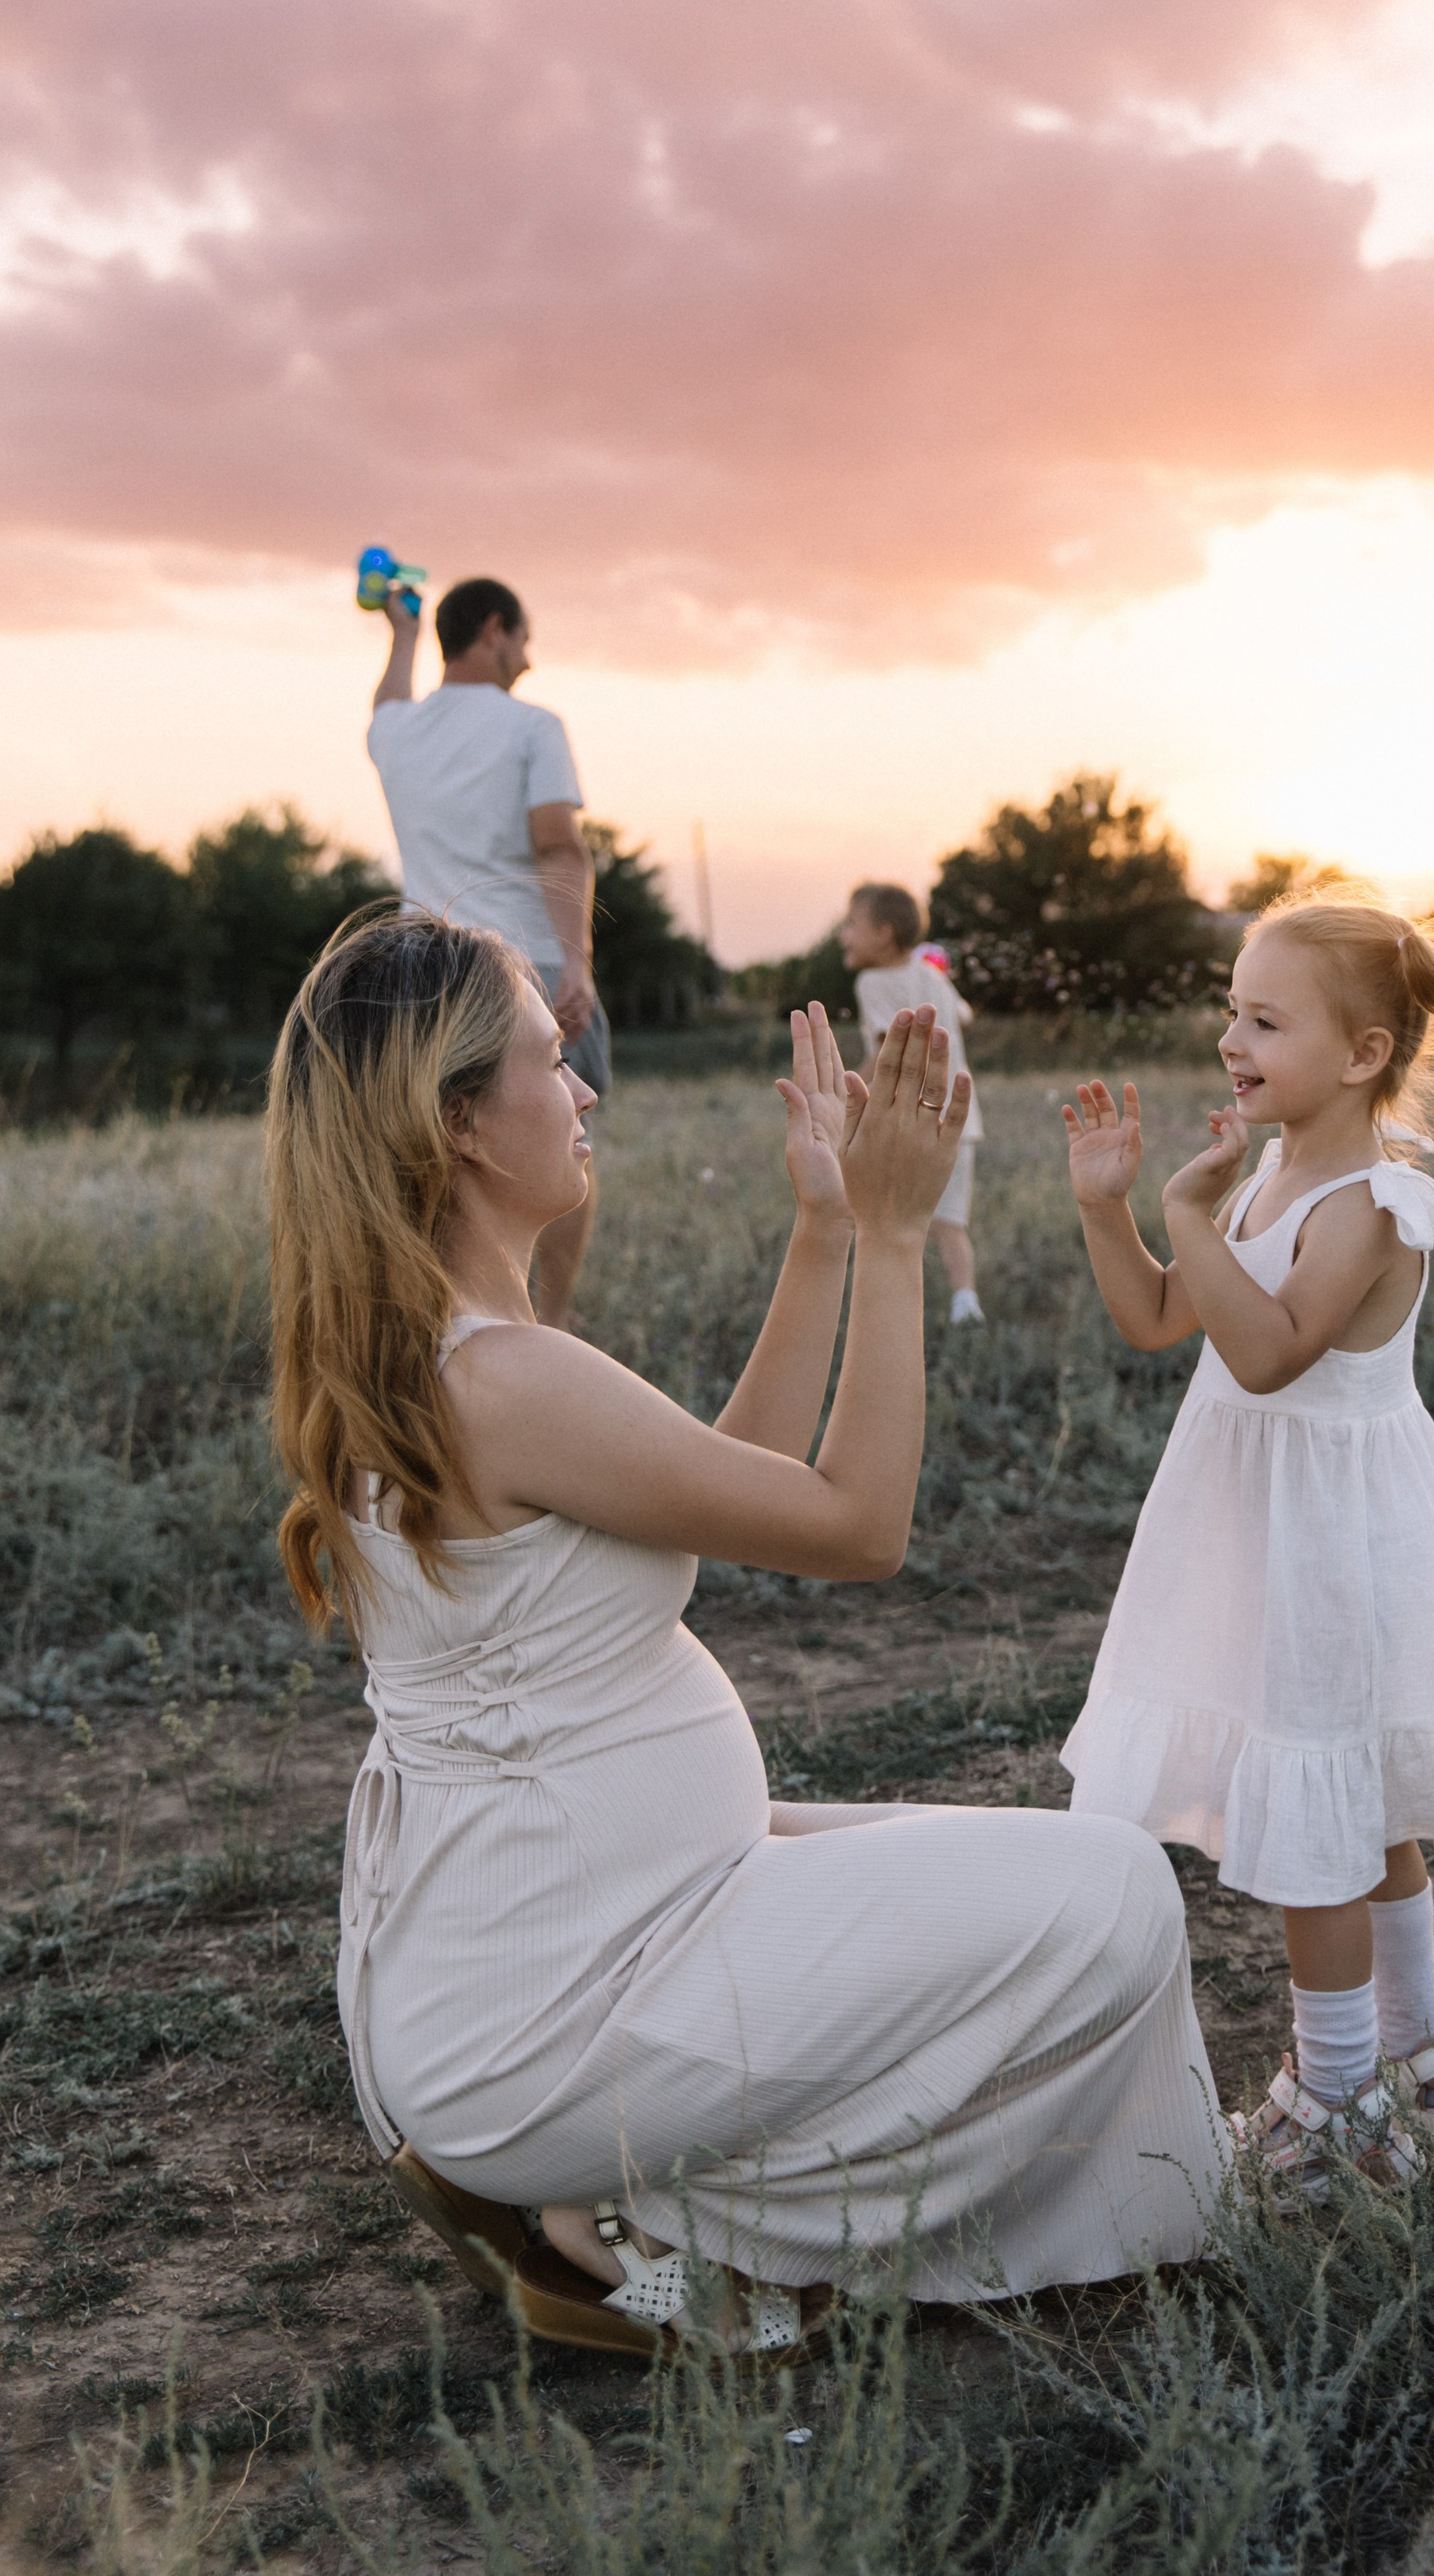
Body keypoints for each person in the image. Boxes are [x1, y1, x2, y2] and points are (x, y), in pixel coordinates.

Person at [266, 910, 1226, 2362]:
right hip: (551, 2016)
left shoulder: (461, 1357)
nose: (584, 1086)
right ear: (458, 1121)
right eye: (549, 1059)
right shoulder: (507, 1378)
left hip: (550, 1964)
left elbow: (731, 1495)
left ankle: (590, 2204)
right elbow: (855, 1527)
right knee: (1117, 1900)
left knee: (1023, 1881)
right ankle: (664, 2238)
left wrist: (830, 1227)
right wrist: (904, 1235)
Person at [1056, 884, 1434, 2198]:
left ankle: (1337, 2099)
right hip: (1261, 1529)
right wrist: (1111, 1206)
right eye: (1231, 1010)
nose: (1233, 1040)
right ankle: (1415, 2067)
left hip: (1337, 1541)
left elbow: (1276, 1351)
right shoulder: (1274, 1175)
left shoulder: (1371, 1200)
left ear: (1361, 1054)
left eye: (1267, 1021)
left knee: (1325, 1813)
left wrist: (1192, 1217)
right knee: (1357, 1794)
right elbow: (1164, 1321)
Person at [367, 575, 604, 1328]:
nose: (527, 660)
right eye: (524, 640)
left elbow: (388, 702)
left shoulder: (396, 732)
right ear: (495, 629)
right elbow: (559, 848)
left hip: (420, 976)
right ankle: (549, 1327)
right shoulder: (533, 727)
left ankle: (447, 1322)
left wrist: (401, 634)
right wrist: (578, 960)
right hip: (522, 970)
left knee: (434, 1159)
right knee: (568, 1150)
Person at [839, 884, 986, 1326]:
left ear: (883, 934)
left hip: (908, 1119)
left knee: (892, 1218)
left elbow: (887, 1051)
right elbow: (964, 1016)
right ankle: (966, 1303)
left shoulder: (872, 981)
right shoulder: (931, 974)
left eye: (850, 925)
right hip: (959, 1118)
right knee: (950, 1222)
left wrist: (838, 1087)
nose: (842, 935)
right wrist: (932, 975)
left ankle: (892, 1310)